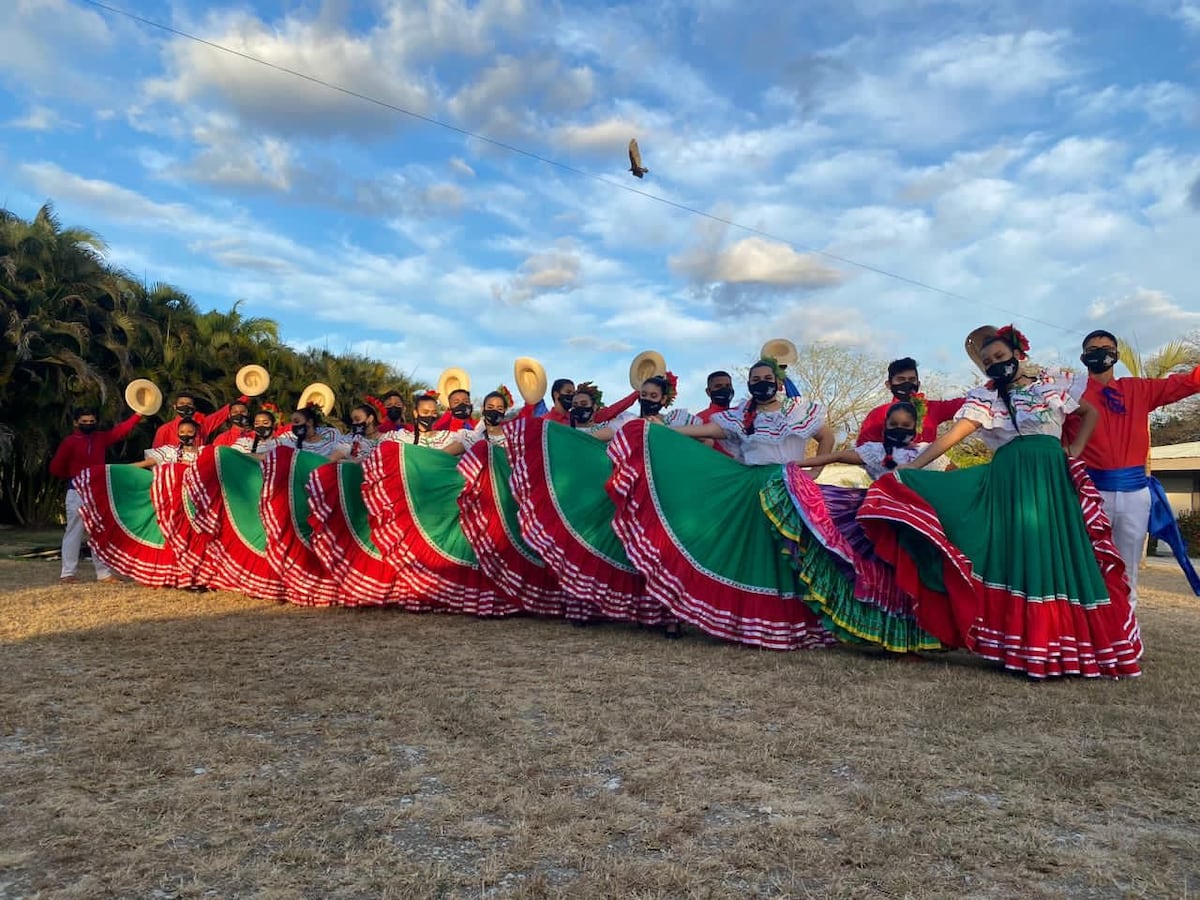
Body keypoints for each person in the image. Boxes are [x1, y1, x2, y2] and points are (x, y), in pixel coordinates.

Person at [857, 325, 1142, 679]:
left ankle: (1065, 645)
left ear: (1017, 355)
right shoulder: (986, 398)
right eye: (988, 360)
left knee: (1058, 554)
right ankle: (1024, 646)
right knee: (1020, 555)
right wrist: (910, 469)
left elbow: (1089, 414)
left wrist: (1074, 450)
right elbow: (952, 437)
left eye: (1000, 357)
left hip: (1052, 477)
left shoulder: (1048, 385)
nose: (994, 363)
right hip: (1010, 480)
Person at [601, 358, 837, 650]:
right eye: (755, 379)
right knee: (758, 553)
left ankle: (797, 624)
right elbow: (706, 432)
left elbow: (826, 437)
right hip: (754, 487)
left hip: (790, 484)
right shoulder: (741, 416)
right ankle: (756, 623)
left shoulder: (797, 410)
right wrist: (661, 431)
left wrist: (815, 472)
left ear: (776, 383)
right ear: (749, 385)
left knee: (792, 554)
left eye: (766, 378)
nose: (761, 382)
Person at [760, 400, 949, 653]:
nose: (899, 428)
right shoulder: (874, 451)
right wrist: (795, 467)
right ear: (884, 428)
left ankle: (916, 642)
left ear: (915, 429)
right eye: (893, 424)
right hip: (878, 523)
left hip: (914, 525)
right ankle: (889, 639)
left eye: (905, 425)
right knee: (887, 580)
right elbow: (838, 455)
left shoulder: (926, 452)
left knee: (913, 580)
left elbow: (952, 477)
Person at [1063, 329, 1200, 603]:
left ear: (1115, 355)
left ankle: (1125, 631)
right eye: (1093, 349)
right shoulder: (1068, 394)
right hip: (1089, 493)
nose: (1100, 352)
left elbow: (1188, 383)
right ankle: (1089, 631)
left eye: (1106, 347)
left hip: (1136, 493)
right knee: (1087, 564)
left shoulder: (1138, 389)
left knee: (1127, 566)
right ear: (1083, 356)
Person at [49, 405, 143, 583]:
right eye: (84, 422)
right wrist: (74, 476)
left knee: (98, 532)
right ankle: (68, 573)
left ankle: (103, 573)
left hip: (98, 491)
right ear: (76, 422)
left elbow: (120, 432)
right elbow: (56, 467)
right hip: (77, 490)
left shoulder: (100, 438)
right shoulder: (70, 442)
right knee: (74, 531)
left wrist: (138, 414)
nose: (88, 424)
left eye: (92, 421)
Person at [856, 357, 964, 446]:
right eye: (901, 379)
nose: (907, 384)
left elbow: (969, 404)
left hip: (928, 467)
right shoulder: (878, 414)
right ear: (889, 384)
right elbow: (863, 449)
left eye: (912, 380)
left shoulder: (931, 408)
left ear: (918, 384)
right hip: (893, 469)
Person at [151, 389, 246, 448]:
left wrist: (248, 394)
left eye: (189, 404)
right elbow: (155, 457)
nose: (185, 406)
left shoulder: (202, 425)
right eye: (182, 404)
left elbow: (222, 413)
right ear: (175, 407)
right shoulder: (164, 430)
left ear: (194, 408)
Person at [451, 388, 512, 453]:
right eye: (490, 407)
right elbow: (441, 455)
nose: (494, 411)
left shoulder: (512, 437)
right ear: (482, 409)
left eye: (499, 408)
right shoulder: (472, 438)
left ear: (504, 411)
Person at [133, 419, 201, 468]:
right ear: (178, 434)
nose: (185, 435)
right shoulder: (170, 451)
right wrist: (125, 468)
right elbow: (147, 463)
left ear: (196, 433)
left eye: (190, 432)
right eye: (182, 432)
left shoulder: (203, 452)